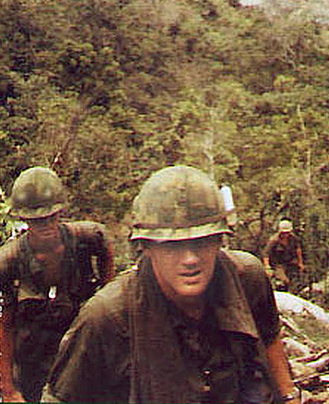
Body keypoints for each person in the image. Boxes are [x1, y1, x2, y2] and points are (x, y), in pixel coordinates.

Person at [43, 165, 301, 404]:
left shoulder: (248, 279)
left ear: (219, 241)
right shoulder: (107, 317)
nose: (190, 259)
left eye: (202, 242)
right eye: (172, 245)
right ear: (147, 247)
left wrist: (289, 396)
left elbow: (269, 339)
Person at [0, 166, 114, 403]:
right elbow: (6, 324)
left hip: (80, 354)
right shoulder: (9, 261)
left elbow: (105, 244)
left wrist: (106, 292)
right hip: (33, 359)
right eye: (38, 221)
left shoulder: (86, 238)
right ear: (24, 220)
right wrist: (9, 389)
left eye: (51, 217)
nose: (46, 226)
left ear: (60, 213)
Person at [263, 219, 305, 292]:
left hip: (289, 261)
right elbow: (266, 254)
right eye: (284, 233)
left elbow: (298, 249)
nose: (285, 235)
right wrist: (267, 266)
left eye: (287, 233)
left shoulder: (293, 238)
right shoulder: (274, 240)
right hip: (278, 264)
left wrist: (300, 262)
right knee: (284, 280)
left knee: (297, 277)